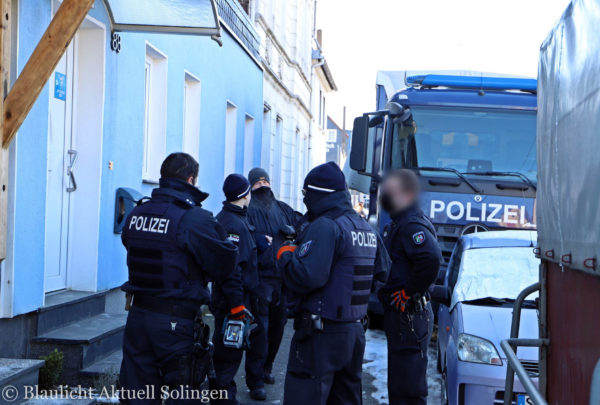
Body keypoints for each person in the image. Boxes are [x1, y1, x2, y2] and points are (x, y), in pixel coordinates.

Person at [119, 153, 238, 404]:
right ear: (191, 179)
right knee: (184, 394)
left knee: (138, 393)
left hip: (138, 317)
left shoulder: (136, 213)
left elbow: (132, 245)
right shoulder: (194, 218)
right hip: (175, 322)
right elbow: (225, 263)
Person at [277, 162, 390, 405]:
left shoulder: (326, 226)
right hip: (354, 333)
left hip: (321, 334)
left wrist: (285, 254)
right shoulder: (364, 228)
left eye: (306, 194)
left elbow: (307, 276)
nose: (305, 200)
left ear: (317, 194)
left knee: (305, 396)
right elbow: (383, 272)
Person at [378, 169, 442, 405]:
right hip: (403, 315)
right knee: (400, 384)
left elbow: (431, 259)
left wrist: (408, 292)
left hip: (409, 315)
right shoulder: (402, 221)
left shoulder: (411, 225)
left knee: (409, 388)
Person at [245, 167, 301, 397]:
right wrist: (256, 238)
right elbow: (237, 232)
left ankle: (267, 368)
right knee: (261, 331)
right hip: (260, 281)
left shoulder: (283, 209)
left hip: (282, 281)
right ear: (251, 187)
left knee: (277, 329)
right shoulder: (247, 211)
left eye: (265, 181)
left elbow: (301, 225)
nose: (262, 186)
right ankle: (255, 380)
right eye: (257, 183)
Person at [211, 174, 259, 405]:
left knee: (228, 353)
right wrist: (238, 306)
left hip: (232, 300)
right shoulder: (232, 224)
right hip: (232, 303)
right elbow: (232, 270)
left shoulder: (231, 219)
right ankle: (223, 399)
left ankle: (223, 395)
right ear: (244, 195)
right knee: (227, 356)